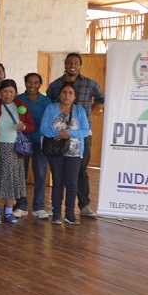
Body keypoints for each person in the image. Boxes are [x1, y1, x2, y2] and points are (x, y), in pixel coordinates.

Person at [45, 53, 105, 217]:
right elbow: (50, 104)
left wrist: (89, 114)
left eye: (76, 63)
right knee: (58, 173)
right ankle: (56, 206)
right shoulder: (55, 85)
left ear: (80, 65)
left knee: (81, 170)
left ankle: (84, 205)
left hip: (81, 136)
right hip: (58, 136)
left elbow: (101, 98)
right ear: (65, 64)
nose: (72, 65)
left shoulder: (90, 84)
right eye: (69, 62)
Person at [0, 79, 35, 224]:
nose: (8, 94)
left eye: (11, 91)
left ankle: (9, 211)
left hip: (15, 150)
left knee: (11, 181)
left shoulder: (21, 105)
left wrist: (24, 127)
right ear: (0, 92)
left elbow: (31, 126)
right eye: (5, 91)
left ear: (16, 92)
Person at [40, 83, 90, 225]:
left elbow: (85, 131)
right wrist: (57, 133)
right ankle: (56, 213)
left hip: (74, 152)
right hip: (55, 151)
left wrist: (68, 134)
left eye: (70, 93)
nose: (67, 95)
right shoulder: (51, 108)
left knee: (72, 183)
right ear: (60, 94)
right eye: (64, 92)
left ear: (74, 96)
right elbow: (43, 129)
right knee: (57, 182)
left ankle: (70, 214)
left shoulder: (80, 111)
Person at [15, 73, 52, 219]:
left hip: (40, 142)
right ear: (25, 83)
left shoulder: (46, 101)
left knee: (40, 175)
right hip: (22, 141)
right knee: (21, 175)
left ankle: (39, 207)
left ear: (40, 84)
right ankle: (21, 206)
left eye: (36, 83)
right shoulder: (18, 100)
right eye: (29, 82)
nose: (32, 85)